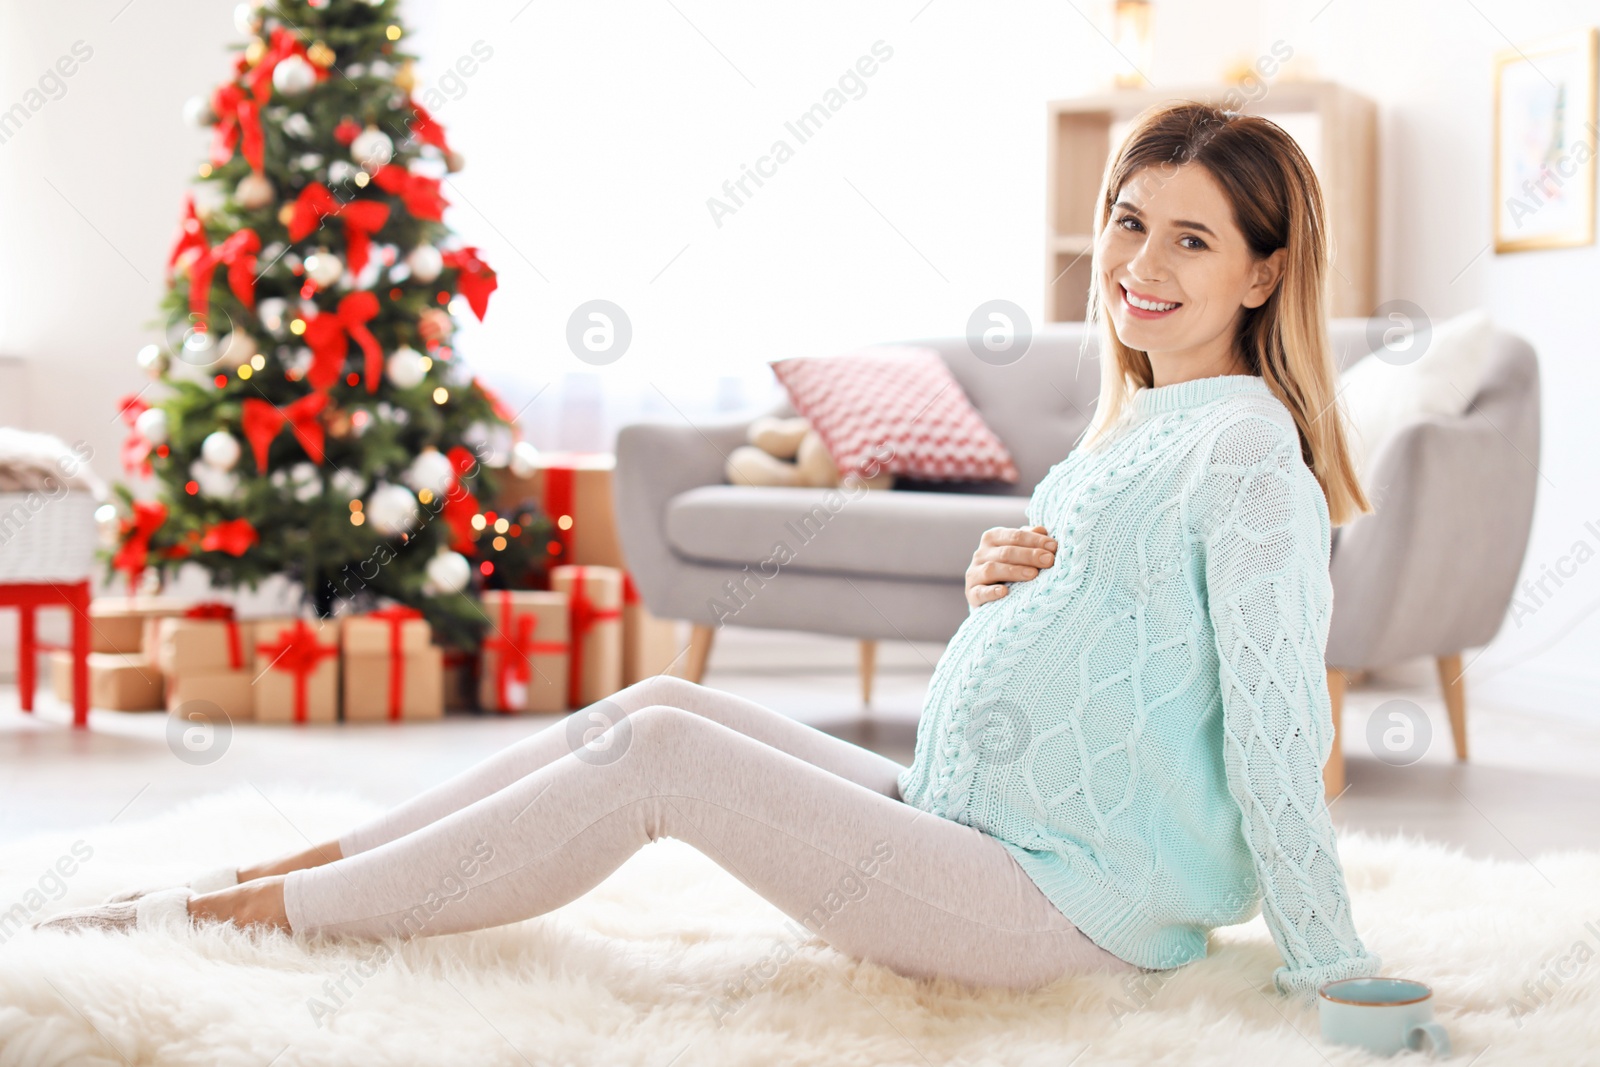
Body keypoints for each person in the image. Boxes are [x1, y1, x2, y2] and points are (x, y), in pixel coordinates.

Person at [41, 99, 1382, 1004]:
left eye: (1192, 239)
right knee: (661, 701)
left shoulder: (1249, 458)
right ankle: (278, 878)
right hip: (974, 819)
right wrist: (1003, 596)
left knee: (665, 762)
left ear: (1264, 274)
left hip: (1064, 904)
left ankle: (239, 928)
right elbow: (1122, 636)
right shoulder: (1148, 421)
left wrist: (1329, 967)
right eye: (1130, 221)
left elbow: (1272, 725)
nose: (1139, 262)